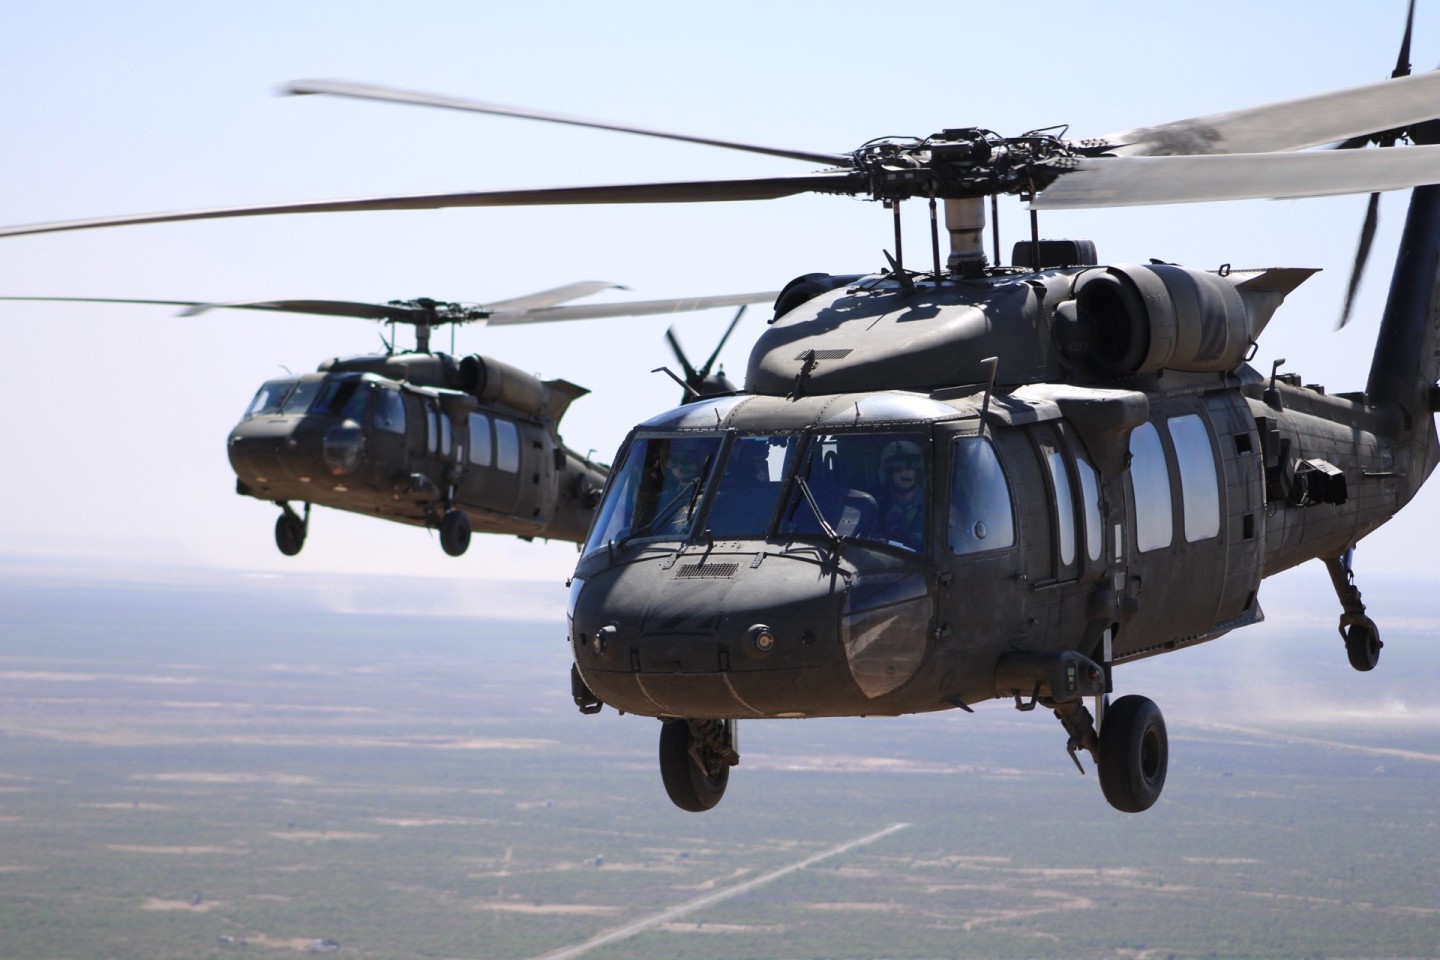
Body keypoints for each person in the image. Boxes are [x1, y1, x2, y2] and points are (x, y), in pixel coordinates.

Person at [877, 439, 925, 550]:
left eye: (911, 467)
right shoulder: (877, 507)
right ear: (888, 473)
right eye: (897, 468)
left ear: (919, 471)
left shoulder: (938, 509)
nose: (905, 473)